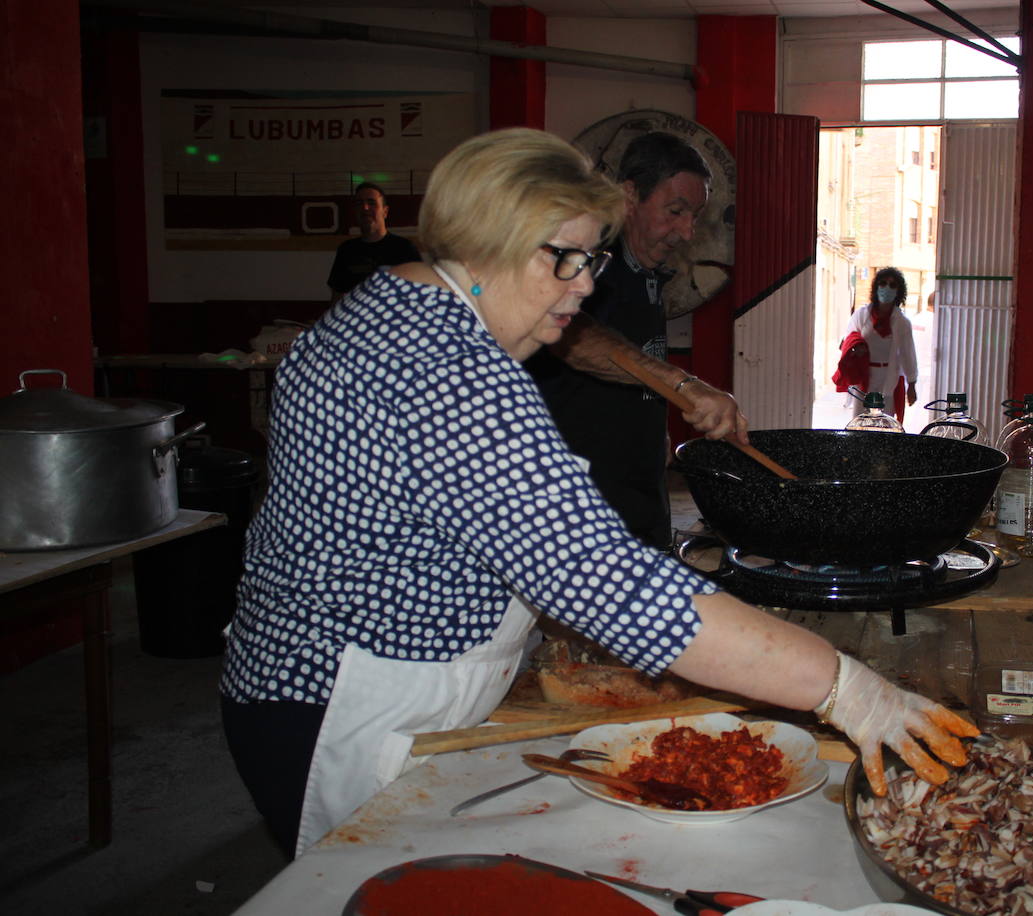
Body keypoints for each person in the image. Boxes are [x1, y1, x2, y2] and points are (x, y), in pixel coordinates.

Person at [219, 128, 977, 859]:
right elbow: (604, 579)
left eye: (595, 257)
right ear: (489, 239)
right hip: (344, 710)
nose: (586, 284)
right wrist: (844, 688)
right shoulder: (453, 372)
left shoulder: (389, 306)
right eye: (567, 258)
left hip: (298, 678)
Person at [526, 131, 746, 550]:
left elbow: (641, 355)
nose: (685, 232)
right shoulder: (591, 261)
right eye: (675, 210)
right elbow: (576, 336)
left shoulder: (648, 271)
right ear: (629, 195)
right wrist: (685, 386)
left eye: (693, 216)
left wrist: (658, 428)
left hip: (641, 489)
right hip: (582, 500)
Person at [844, 267, 919, 425]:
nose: (887, 288)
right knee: (860, 422)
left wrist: (911, 384)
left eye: (892, 285)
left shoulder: (901, 322)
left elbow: (908, 354)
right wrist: (856, 348)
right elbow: (849, 339)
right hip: (864, 377)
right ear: (876, 286)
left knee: (885, 424)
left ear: (898, 291)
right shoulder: (862, 315)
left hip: (888, 378)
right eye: (883, 283)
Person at [326, 182, 421, 302]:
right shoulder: (346, 250)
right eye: (359, 203)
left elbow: (418, 295)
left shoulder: (405, 249)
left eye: (372, 203)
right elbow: (337, 297)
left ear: (385, 212)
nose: (365, 208)